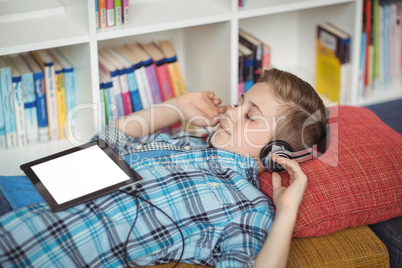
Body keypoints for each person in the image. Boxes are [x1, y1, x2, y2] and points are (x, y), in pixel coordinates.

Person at [0, 68, 327, 268]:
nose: (231, 110)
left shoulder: (246, 206)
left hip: (28, 242)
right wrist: (178, 107)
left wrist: (287, 212)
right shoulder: (186, 142)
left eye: (250, 115)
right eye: (240, 101)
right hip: (16, 191)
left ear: (274, 152)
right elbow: (107, 141)